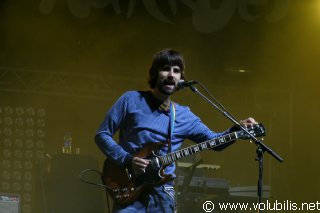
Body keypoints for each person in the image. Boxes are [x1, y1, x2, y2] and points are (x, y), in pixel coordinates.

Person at [95, 48, 257, 213]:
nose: (171, 74)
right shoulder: (130, 99)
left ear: (181, 78)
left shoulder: (184, 115)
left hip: (163, 191)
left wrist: (236, 129)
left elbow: (215, 142)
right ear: (154, 73)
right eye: (166, 69)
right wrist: (128, 160)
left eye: (177, 71)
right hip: (128, 184)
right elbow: (102, 135)